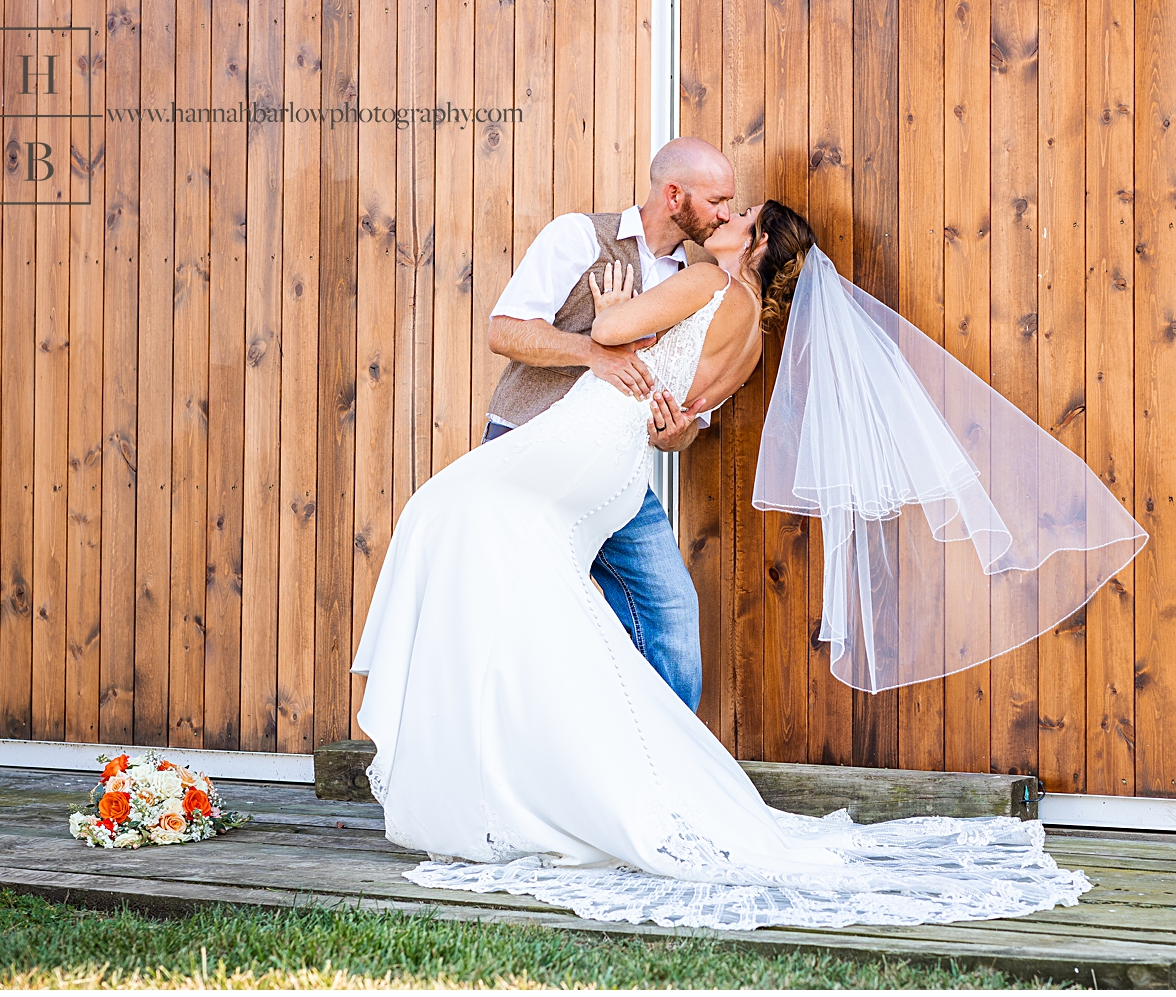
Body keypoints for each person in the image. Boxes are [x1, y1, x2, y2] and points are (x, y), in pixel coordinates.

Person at [349, 192, 1097, 932]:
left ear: (756, 245)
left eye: (738, 218)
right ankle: (546, 769)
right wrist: (668, 417)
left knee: (446, 511)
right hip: (618, 464)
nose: (723, 221)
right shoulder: (754, 339)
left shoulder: (709, 281)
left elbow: (612, 330)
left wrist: (615, 302)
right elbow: (682, 423)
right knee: (510, 572)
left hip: (584, 444)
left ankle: (562, 780)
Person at [479, 136, 738, 712]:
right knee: (525, 622)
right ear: (674, 195)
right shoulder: (578, 236)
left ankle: (666, 771)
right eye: (718, 200)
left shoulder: (696, 279)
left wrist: (678, 434)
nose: (725, 213)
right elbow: (505, 331)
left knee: (669, 611)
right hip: (530, 454)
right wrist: (593, 351)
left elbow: (689, 413)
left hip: (615, 473)